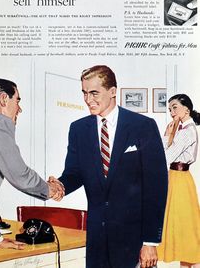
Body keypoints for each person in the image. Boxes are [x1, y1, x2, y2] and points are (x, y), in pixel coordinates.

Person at [49, 65, 168, 268]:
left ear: (113, 92)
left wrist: (150, 242)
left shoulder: (143, 126)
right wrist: (61, 185)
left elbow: (156, 188)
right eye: (84, 93)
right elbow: (75, 173)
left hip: (133, 240)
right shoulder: (78, 129)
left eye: (94, 93)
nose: (88, 100)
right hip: (97, 238)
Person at [0, 78, 64, 268]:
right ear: (3, 99)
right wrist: (50, 190)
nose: (20, 109)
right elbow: (19, 174)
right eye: (18, 100)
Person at [157, 94, 200, 268]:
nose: (171, 112)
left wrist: (167, 135)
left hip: (180, 181)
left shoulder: (187, 131)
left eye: (174, 107)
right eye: (169, 109)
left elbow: (166, 156)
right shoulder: (181, 129)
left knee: (186, 226)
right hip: (175, 179)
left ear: (186, 109)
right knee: (181, 227)